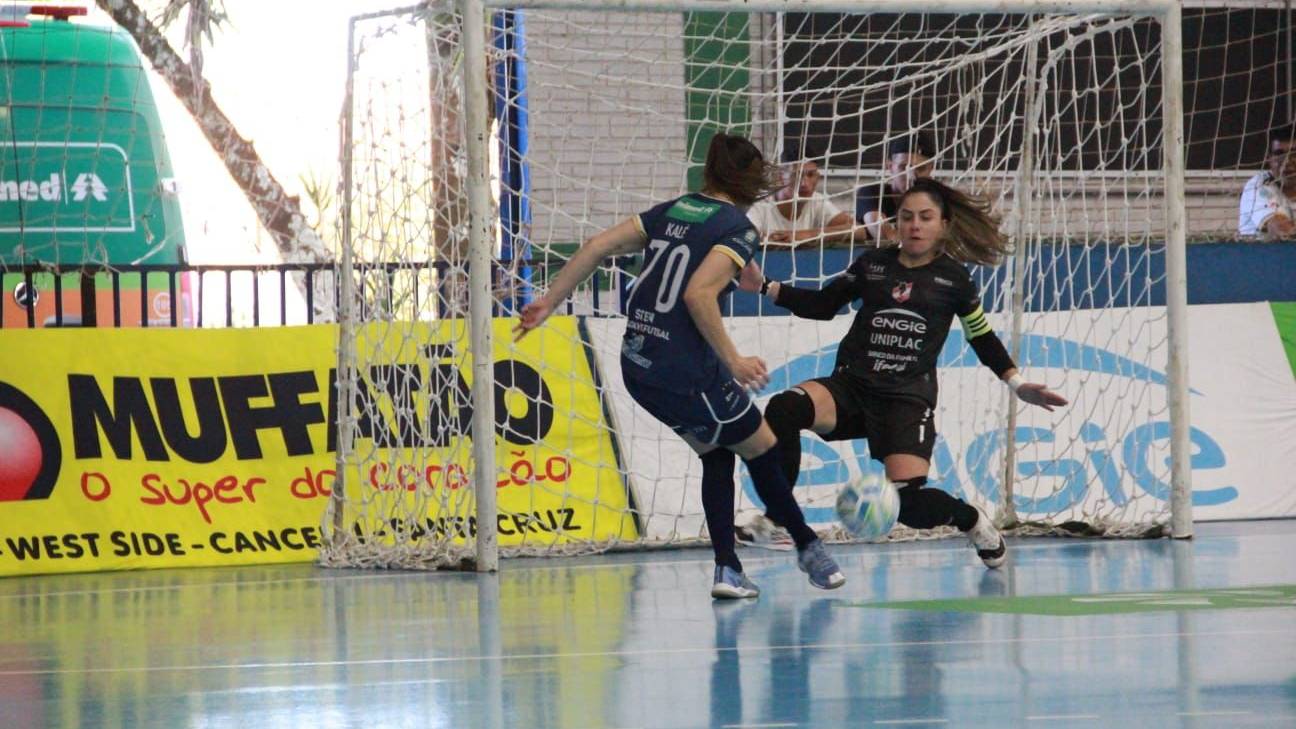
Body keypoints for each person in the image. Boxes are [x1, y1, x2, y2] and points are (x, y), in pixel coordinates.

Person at [515, 132, 844, 599]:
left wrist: (549, 301)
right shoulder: (738, 227)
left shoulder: (675, 210)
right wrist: (734, 361)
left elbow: (593, 246)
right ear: (751, 179)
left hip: (637, 365)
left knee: (716, 451)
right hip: (686, 370)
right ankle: (810, 548)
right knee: (765, 449)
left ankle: (728, 570)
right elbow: (698, 293)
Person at [738, 177, 1068, 568]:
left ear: (943, 224)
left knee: (908, 506)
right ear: (896, 223)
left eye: (925, 217)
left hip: (906, 401)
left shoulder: (954, 280)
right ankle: (778, 520)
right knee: (783, 408)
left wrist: (1016, 382)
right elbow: (824, 304)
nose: (915, 225)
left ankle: (973, 520)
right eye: (907, 216)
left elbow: (980, 335)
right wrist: (765, 287)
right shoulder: (873, 264)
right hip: (852, 386)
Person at [745, 158, 864, 248]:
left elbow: (859, 231)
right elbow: (746, 237)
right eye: (796, 175)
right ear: (781, 177)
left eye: (811, 175)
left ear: (817, 177)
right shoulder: (759, 204)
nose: (804, 184)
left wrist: (805, 235)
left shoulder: (817, 202)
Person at [855, 130, 937, 244]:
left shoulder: (939, 199)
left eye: (920, 168)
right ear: (890, 166)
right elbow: (885, 236)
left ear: (931, 169)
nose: (911, 176)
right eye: (903, 167)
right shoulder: (872, 193)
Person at [1238, 123, 1296, 238]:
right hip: (1257, 255)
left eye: (1294, 154)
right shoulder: (1258, 186)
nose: (1287, 162)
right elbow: (1282, 230)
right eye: (1279, 155)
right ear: (1269, 159)